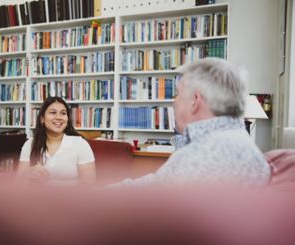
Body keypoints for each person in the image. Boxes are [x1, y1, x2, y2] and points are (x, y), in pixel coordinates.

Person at [110, 58, 271, 187]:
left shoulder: (201, 156)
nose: (174, 102)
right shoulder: (240, 143)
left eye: (178, 94)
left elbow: (141, 202)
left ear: (195, 101)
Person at [17, 96, 96, 186]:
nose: (59, 117)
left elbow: (89, 186)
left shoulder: (80, 144)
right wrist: (28, 174)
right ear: (42, 119)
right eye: (53, 112)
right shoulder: (30, 144)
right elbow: (18, 185)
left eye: (63, 113)